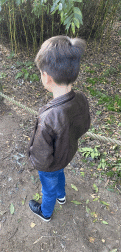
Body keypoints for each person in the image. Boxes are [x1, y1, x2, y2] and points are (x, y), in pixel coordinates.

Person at [28, 35, 90, 222]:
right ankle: (61, 196)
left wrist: (34, 160)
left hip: (51, 164)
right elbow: (84, 126)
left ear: (46, 77)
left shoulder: (48, 117)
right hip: (65, 155)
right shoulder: (81, 99)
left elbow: (41, 155)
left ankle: (46, 212)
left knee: (48, 187)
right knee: (60, 173)